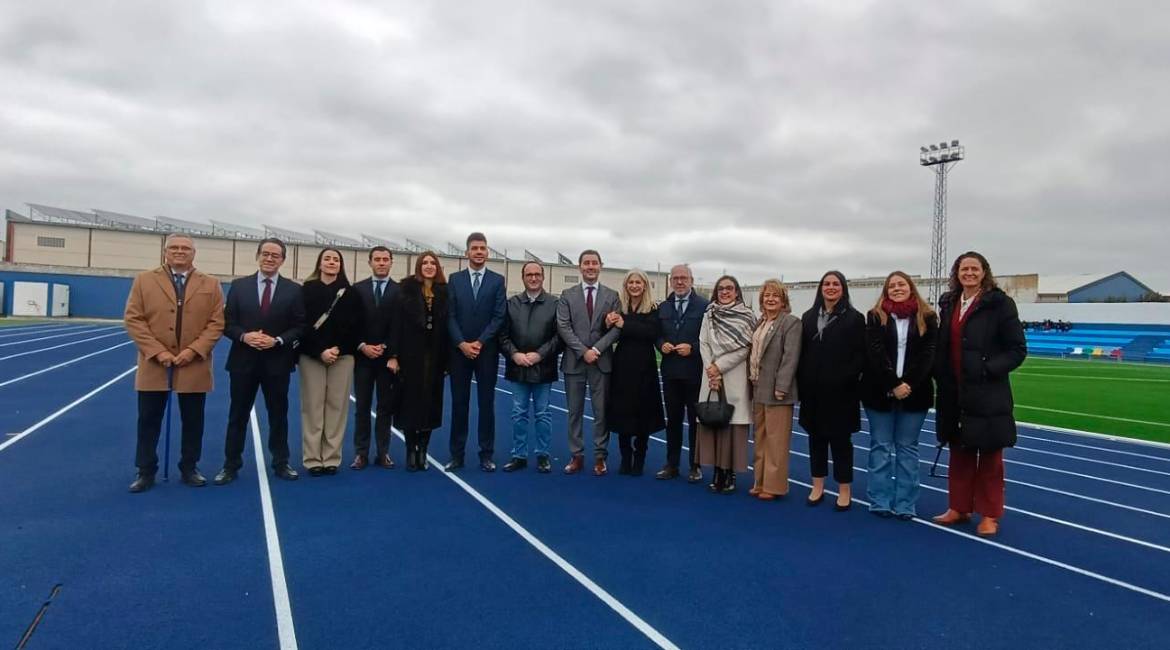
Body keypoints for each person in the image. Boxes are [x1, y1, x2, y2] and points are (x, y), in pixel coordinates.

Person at [931, 252, 1026, 537]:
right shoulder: (948, 302)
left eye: (974, 268)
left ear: (984, 272)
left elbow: (1017, 350)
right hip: (953, 392)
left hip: (987, 393)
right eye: (964, 268)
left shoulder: (1000, 304)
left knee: (989, 457)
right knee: (958, 452)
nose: (969, 273)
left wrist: (987, 369)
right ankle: (958, 507)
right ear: (956, 273)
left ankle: (989, 515)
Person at [124, 234, 225, 492]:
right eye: (174, 248)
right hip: (155, 363)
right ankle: (145, 470)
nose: (180, 252)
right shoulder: (144, 280)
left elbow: (216, 323)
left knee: (193, 420)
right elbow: (134, 319)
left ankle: (189, 467)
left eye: (186, 248)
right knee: (148, 419)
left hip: (194, 363)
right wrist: (158, 352)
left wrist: (193, 350)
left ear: (194, 253)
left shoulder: (211, 284)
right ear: (165, 251)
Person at [215, 238, 305, 485]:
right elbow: (227, 323)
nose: (270, 258)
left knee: (278, 415)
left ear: (282, 260)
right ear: (258, 256)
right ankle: (230, 465)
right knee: (237, 415)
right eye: (265, 254)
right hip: (243, 362)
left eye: (275, 255)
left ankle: (281, 462)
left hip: (277, 363)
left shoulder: (294, 290)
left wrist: (277, 340)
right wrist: (245, 336)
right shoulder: (239, 286)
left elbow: (300, 326)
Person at [862, 271, 938, 519]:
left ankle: (905, 503)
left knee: (907, 449)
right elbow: (875, 352)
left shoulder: (927, 317)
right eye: (891, 285)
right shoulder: (875, 316)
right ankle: (879, 500)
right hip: (880, 393)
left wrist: (908, 384)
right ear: (886, 290)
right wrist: (893, 383)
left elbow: (928, 354)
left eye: (901, 284)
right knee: (881, 448)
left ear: (911, 288)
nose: (896, 288)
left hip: (915, 394)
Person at [797, 270, 865, 510]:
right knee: (815, 441)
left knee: (841, 443)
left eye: (836, 284)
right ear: (821, 288)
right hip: (813, 394)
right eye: (826, 284)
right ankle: (818, 486)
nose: (831, 287)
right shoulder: (807, 317)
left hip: (841, 394)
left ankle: (844, 490)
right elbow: (801, 354)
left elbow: (860, 357)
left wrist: (844, 378)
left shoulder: (855, 319)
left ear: (843, 288)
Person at [298, 248, 364, 476]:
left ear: (341, 265)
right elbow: (301, 325)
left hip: (342, 357)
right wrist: (320, 351)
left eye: (336, 259)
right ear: (319, 263)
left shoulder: (351, 293)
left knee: (337, 406)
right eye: (327, 258)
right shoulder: (306, 290)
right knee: (313, 407)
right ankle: (312, 458)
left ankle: (331, 458)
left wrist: (337, 349)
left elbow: (356, 327)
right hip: (311, 357)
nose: (331, 262)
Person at [556, 249, 621, 476]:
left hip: (601, 362)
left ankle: (600, 457)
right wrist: (584, 351)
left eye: (594, 263)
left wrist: (596, 349)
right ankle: (576, 456)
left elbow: (616, 329)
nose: (590, 267)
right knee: (574, 411)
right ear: (579, 267)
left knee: (601, 412)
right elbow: (563, 327)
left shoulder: (612, 296)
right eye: (586, 263)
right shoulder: (567, 294)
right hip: (574, 362)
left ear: (600, 266)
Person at [446, 232, 507, 472]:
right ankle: (457, 455)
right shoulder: (454, 279)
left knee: (486, 405)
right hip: (459, 354)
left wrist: (479, 343)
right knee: (459, 405)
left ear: (487, 252)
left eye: (483, 248)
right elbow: (449, 315)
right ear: (467, 252)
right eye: (475, 248)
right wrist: (462, 343)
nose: (479, 252)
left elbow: (499, 316)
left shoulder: (497, 280)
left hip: (486, 353)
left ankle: (486, 454)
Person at [386, 252, 449, 472]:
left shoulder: (445, 292)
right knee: (409, 405)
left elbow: (449, 329)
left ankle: (423, 449)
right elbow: (395, 325)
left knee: (430, 406)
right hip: (409, 357)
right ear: (418, 266)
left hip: (435, 359)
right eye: (425, 263)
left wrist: (448, 360)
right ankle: (410, 450)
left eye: (433, 263)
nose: (429, 266)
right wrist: (393, 355)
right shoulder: (405, 290)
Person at [498, 262, 561, 473]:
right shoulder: (511, 304)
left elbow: (558, 337)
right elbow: (502, 335)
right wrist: (514, 354)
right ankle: (519, 455)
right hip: (518, 368)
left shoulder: (555, 303)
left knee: (543, 413)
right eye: (529, 275)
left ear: (543, 277)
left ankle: (543, 455)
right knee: (519, 413)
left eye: (537, 274)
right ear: (523, 278)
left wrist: (539, 354)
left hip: (543, 369)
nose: (533, 278)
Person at [696, 275, 755, 494]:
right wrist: (710, 368)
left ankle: (729, 473)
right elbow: (703, 342)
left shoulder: (747, 316)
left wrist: (719, 366)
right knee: (713, 423)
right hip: (711, 376)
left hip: (733, 376)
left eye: (729, 288)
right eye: (720, 288)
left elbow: (746, 347)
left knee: (731, 427)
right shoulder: (709, 314)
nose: (724, 292)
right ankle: (717, 472)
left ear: (737, 291)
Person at [605, 270, 665, 476]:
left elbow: (651, 333)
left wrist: (625, 324)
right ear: (626, 285)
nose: (634, 285)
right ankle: (625, 457)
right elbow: (611, 334)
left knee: (643, 416)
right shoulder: (619, 307)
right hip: (622, 366)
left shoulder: (653, 308)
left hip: (644, 367)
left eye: (638, 282)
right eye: (631, 282)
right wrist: (608, 324)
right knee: (622, 413)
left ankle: (639, 458)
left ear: (645, 285)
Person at [747, 280, 801, 500]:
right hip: (758, 387)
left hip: (777, 390)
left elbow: (791, 357)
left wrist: (782, 387)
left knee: (776, 441)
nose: (770, 299)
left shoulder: (790, 323)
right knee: (760, 438)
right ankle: (759, 482)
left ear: (783, 300)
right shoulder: (760, 322)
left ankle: (775, 486)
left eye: (775, 296)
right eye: (767, 296)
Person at [655, 264, 709, 482]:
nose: (679, 282)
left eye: (683, 278)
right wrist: (661, 345)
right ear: (670, 281)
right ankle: (672, 464)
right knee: (673, 421)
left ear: (691, 280)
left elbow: (709, 339)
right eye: (675, 278)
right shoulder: (664, 307)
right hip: (670, 373)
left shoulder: (704, 306)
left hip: (694, 372)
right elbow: (656, 334)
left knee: (696, 421)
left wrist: (693, 348)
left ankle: (695, 466)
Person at [350, 246, 400, 470]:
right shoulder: (357, 289)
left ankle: (383, 452)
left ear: (391, 263)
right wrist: (362, 345)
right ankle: (361, 453)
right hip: (362, 358)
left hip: (387, 360)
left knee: (385, 407)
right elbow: (350, 324)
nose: (381, 263)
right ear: (369, 262)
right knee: (362, 406)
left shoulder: (400, 291)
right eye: (377, 259)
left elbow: (403, 326)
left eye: (385, 259)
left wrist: (388, 347)